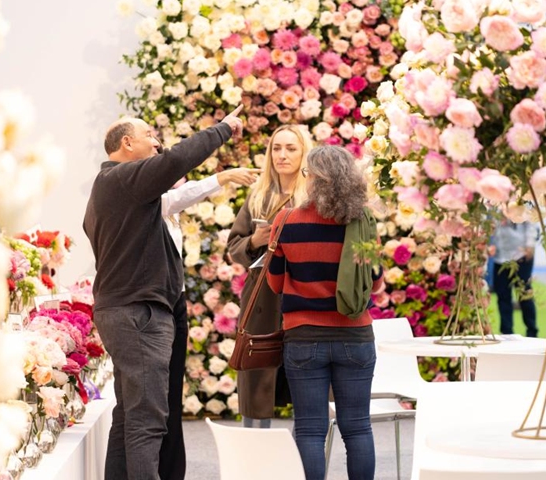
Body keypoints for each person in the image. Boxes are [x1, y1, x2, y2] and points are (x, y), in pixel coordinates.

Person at [83, 108, 243, 480]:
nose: (158, 142)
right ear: (127, 143)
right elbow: (176, 161)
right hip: (140, 316)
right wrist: (221, 130)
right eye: (150, 135)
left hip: (124, 312)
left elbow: (175, 193)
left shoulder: (114, 190)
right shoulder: (124, 180)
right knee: (147, 423)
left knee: (128, 419)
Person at [266, 145, 383, 480]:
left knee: (310, 431)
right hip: (356, 337)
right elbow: (373, 285)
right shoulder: (362, 222)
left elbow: (274, 284)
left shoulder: (287, 221)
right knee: (358, 428)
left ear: (313, 180)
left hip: (304, 339)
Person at [158, 167, 259, 480]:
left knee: (172, 396)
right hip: (156, 305)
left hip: (175, 301)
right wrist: (223, 177)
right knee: (160, 402)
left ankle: (172, 471)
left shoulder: (163, 203)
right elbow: (179, 197)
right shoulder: (145, 195)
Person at [227, 125, 312, 428]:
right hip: (262, 297)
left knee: (307, 384)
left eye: (290, 148)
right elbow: (234, 248)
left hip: (303, 295)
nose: (282, 155)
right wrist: (255, 240)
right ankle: (254, 454)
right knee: (257, 378)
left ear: (304, 152)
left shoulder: (315, 196)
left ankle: (304, 461)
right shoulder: (259, 197)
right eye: (277, 148)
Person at [491, 218, 539, 338]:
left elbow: (531, 221)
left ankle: (532, 330)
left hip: (521, 253)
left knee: (524, 294)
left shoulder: (523, 200)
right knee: (502, 295)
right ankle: (506, 332)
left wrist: (530, 244)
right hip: (500, 256)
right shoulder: (491, 203)